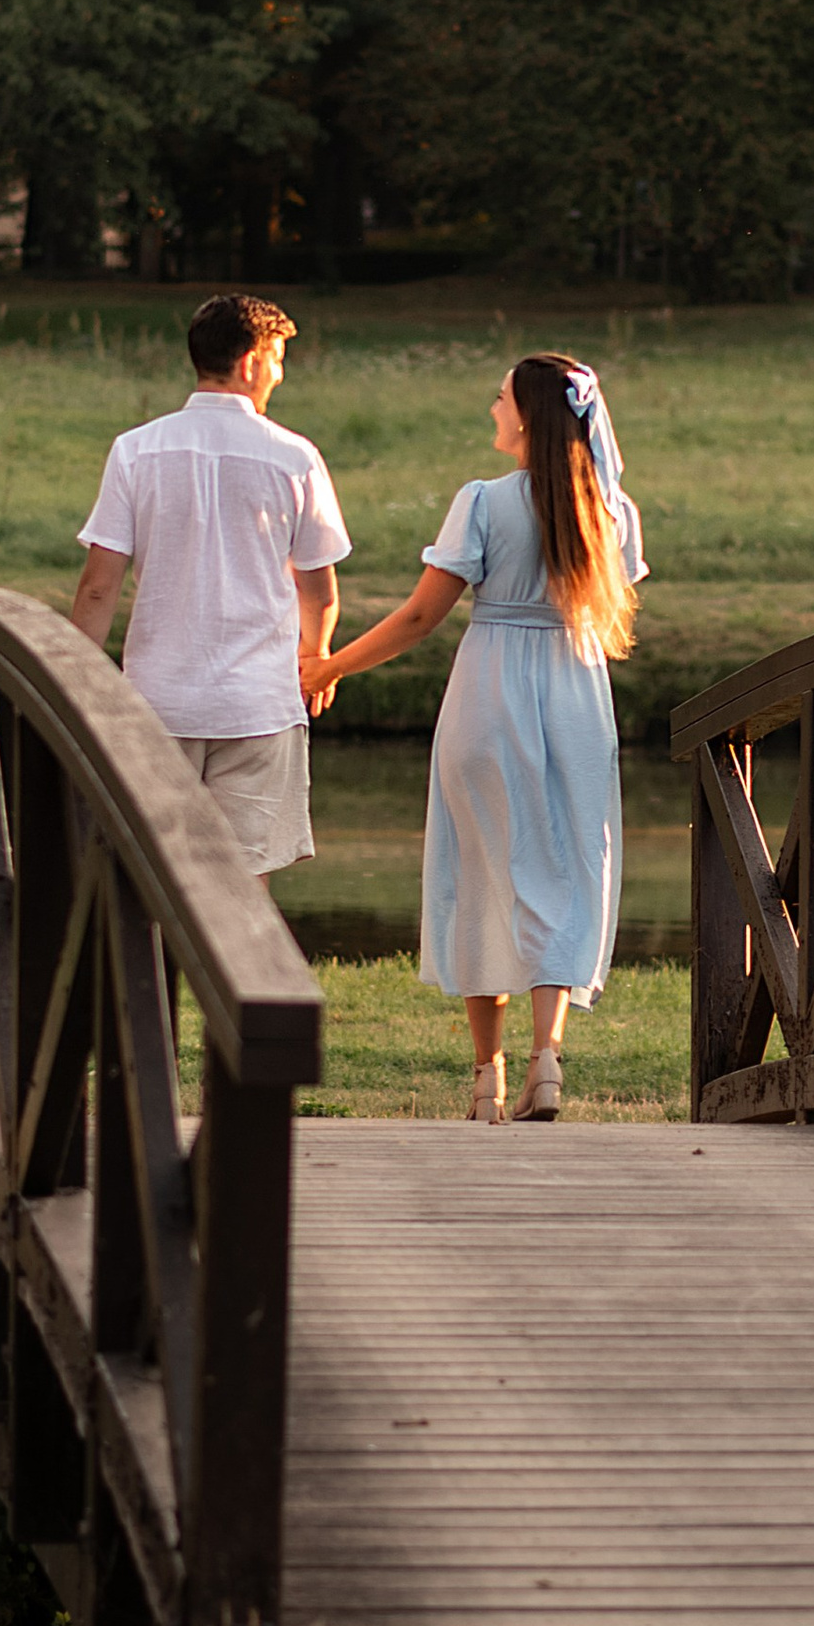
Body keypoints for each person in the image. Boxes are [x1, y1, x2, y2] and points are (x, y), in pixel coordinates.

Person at [308, 353, 642, 1122]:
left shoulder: (484, 502)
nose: (491, 410)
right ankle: (547, 1059)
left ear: (525, 415)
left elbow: (422, 616)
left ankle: (487, 1076)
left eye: (498, 400)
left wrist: (332, 666)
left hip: (490, 687)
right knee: (563, 867)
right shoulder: (614, 512)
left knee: (482, 865)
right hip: (576, 692)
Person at [69, 292, 349, 882]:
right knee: (242, 891)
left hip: (155, 703)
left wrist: (73, 683)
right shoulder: (294, 456)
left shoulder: (136, 450)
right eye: (276, 358)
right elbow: (318, 591)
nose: (280, 373)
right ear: (250, 362)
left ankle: (156, 979)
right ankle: (236, 980)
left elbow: (99, 589)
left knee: (150, 881)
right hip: (257, 706)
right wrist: (313, 655)